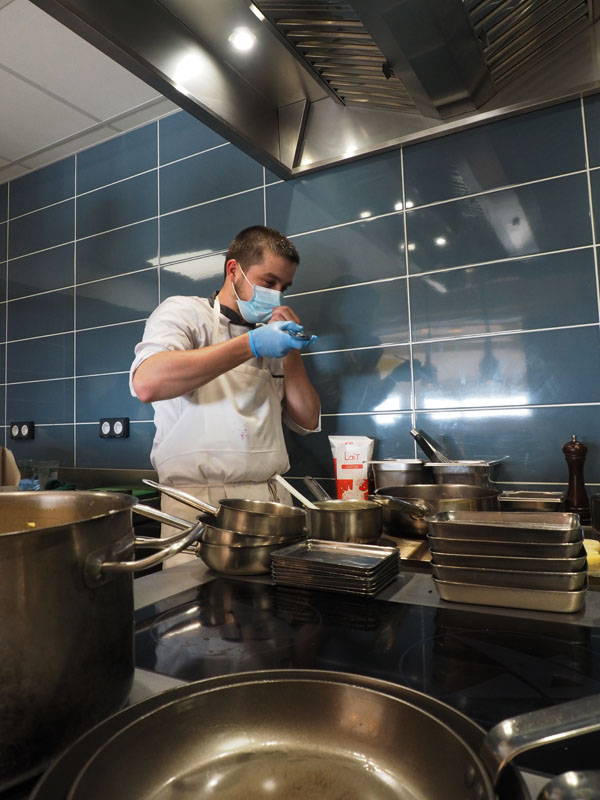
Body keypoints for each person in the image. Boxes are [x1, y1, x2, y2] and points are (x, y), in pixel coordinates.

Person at [130, 225, 321, 564]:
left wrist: (291, 352)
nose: (277, 296)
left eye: (284, 287)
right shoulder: (186, 313)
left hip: (271, 507)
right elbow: (147, 383)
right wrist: (251, 344)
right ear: (234, 270)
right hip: (198, 511)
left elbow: (307, 420)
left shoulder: (273, 338)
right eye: (268, 282)